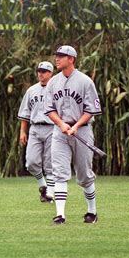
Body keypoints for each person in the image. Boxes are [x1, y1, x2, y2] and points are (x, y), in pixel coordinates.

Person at [45, 45, 102, 224]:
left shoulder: (85, 81)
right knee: (59, 172)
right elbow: (49, 109)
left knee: (84, 175)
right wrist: (62, 124)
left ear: (71, 59)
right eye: (57, 55)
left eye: (61, 56)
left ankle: (92, 211)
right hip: (60, 132)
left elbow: (92, 109)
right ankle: (60, 214)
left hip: (82, 131)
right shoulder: (53, 82)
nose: (57, 58)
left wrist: (76, 125)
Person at [17, 61, 55, 203]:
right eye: (39, 70)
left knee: (50, 163)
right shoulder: (31, 90)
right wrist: (22, 132)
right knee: (31, 162)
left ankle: (50, 194)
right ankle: (43, 186)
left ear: (51, 73)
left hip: (52, 128)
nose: (40, 73)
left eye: (44, 71)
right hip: (35, 128)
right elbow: (25, 114)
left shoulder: (56, 90)